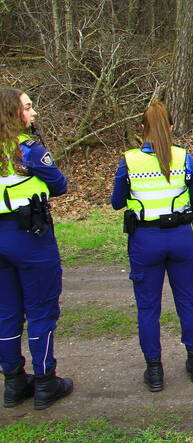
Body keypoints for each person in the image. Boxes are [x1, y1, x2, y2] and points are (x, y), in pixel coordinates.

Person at [110, 100, 193, 392]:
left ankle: (154, 371)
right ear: (171, 127)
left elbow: (116, 202)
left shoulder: (129, 161)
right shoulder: (184, 158)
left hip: (145, 240)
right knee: (188, 302)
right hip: (180, 237)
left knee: (148, 308)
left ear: (143, 129)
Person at [0, 87, 73, 410]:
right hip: (29, 236)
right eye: (28, 108)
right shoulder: (28, 151)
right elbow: (59, 184)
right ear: (13, 113)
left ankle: (13, 382)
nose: (34, 113)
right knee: (41, 309)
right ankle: (45, 381)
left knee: (6, 313)